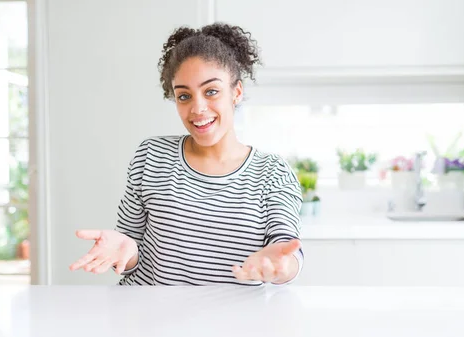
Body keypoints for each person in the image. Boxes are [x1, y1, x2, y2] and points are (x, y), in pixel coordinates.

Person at [69, 22, 304, 286]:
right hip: (150, 319)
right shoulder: (152, 156)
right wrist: (125, 253)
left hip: (232, 324)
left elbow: (288, 252)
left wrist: (279, 265)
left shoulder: (272, 172)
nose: (197, 108)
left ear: (236, 92)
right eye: (184, 96)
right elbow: (128, 249)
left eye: (211, 91)